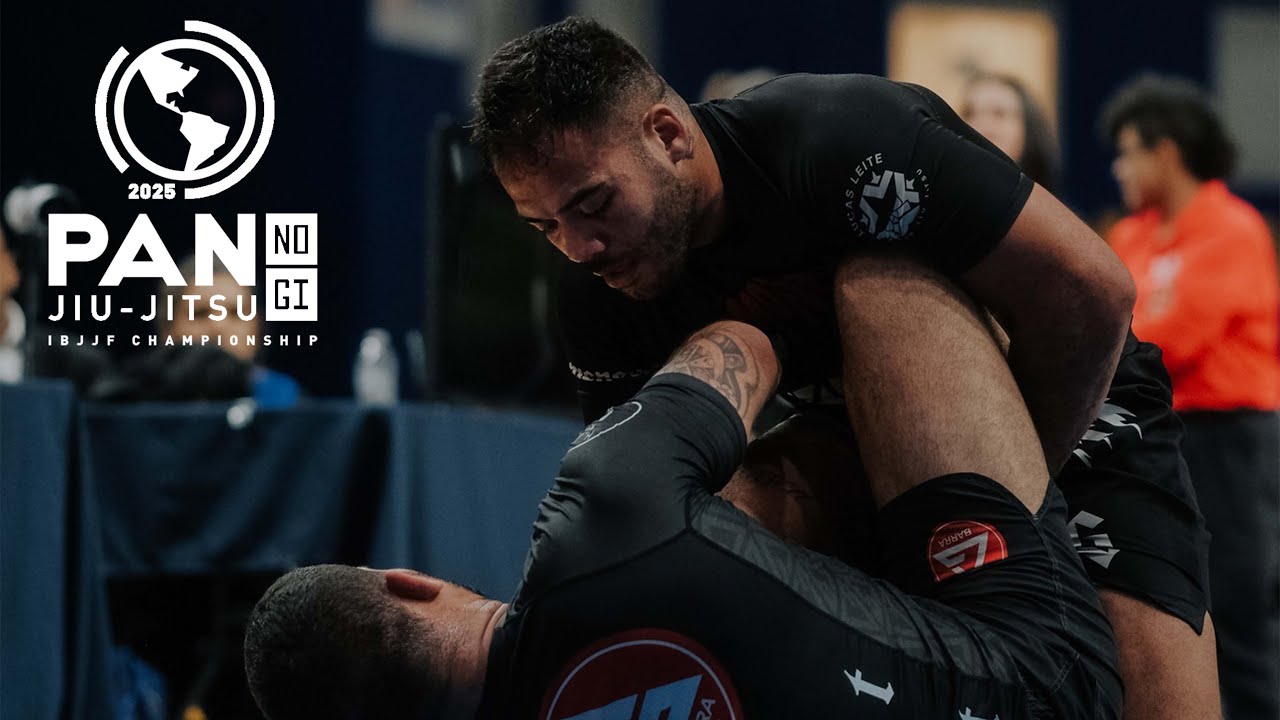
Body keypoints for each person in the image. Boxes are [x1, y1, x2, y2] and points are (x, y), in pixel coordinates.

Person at [468, 17, 1217, 719]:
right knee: (699, 520)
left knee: (1155, 702)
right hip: (858, 440)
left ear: (667, 135)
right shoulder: (600, 295)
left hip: (1074, 397)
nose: (579, 248)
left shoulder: (836, 138)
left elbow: (1092, 292)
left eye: (594, 204)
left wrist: (1018, 493)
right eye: (545, 226)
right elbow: (637, 520)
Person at [245, 260, 1122, 718]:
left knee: (719, 531)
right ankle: (1125, 434)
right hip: (1042, 682)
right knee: (878, 273)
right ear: (410, 582)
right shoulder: (598, 514)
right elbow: (747, 343)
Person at [1102, 73, 1279, 720]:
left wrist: (1128, 333)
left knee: (1237, 609)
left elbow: (1170, 340)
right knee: (1169, 599)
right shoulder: (1130, 236)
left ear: (1167, 152)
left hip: (1229, 439)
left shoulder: (1234, 229)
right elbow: (1112, 327)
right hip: (1156, 437)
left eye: (1129, 152)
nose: (1118, 168)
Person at [959, 70, 1059, 192]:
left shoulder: (1055, 203)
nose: (979, 125)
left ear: (1028, 128)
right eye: (969, 113)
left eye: (999, 113)